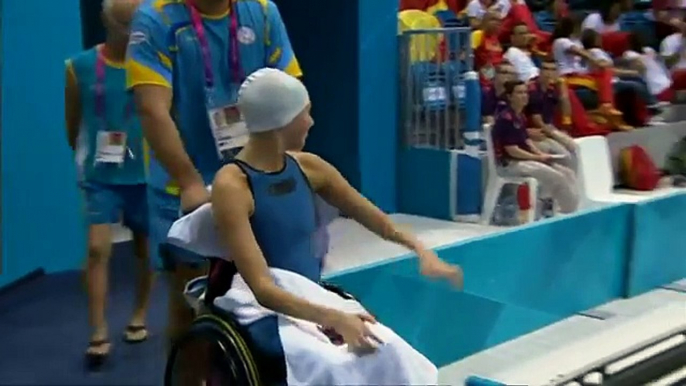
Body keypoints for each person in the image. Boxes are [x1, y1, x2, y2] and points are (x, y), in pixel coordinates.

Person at [207, 67, 462, 385]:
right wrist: (335, 318)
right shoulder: (233, 184)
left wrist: (420, 249)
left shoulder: (309, 167)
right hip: (266, 312)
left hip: (312, 297)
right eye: (306, 113)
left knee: (389, 349)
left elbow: (376, 219)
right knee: (334, 366)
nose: (311, 122)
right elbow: (263, 289)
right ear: (281, 121)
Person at [126, 0, 302, 363]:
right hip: (188, 187)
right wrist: (190, 182)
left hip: (255, 177)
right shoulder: (156, 18)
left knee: (266, 295)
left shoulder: (263, 12)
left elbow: (290, 91)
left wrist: (286, 164)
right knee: (194, 302)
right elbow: (151, 108)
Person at [65, 0, 153, 368]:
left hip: (146, 174)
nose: (129, 34)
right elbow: (72, 123)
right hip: (101, 175)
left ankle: (140, 313)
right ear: (106, 21)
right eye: (122, 25)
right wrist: (87, 160)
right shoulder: (79, 67)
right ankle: (97, 330)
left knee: (145, 250)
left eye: (135, 26)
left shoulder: (152, 64)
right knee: (98, 248)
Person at [491, 80, 579, 214]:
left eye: (525, 92)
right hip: (511, 164)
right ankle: (568, 212)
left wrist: (540, 155)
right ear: (509, 97)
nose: (524, 96)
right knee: (557, 177)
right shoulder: (506, 118)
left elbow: (526, 141)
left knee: (568, 173)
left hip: (525, 160)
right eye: (519, 93)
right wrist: (537, 157)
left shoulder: (520, 116)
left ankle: (568, 208)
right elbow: (512, 151)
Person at [551, 16, 630, 130]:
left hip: (579, 74)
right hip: (568, 77)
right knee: (603, 72)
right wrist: (595, 61)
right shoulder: (561, 41)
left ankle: (607, 106)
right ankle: (606, 105)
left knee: (605, 73)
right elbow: (579, 52)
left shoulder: (574, 41)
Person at [524, 59, 577, 170]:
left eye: (553, 70)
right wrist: (555, 134)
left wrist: (563, 93)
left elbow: (566, 114)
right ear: (539, 71)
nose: (549, 73)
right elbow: (537, 121)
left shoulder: (551, 90)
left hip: (547, 130)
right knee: (566, 151)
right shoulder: (533, 90)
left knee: (573, 148)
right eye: (545, 69)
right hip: (534, 133)